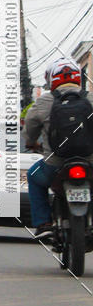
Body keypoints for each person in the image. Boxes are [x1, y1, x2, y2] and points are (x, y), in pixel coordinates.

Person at [25, 57, 93, 239]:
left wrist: (31, 143)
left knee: (33, 176)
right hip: (90, 161)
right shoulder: (90, 98)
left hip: (55, 163)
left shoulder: (43, 102)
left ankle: (43, 223)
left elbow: (30, 126)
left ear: (51, 79)